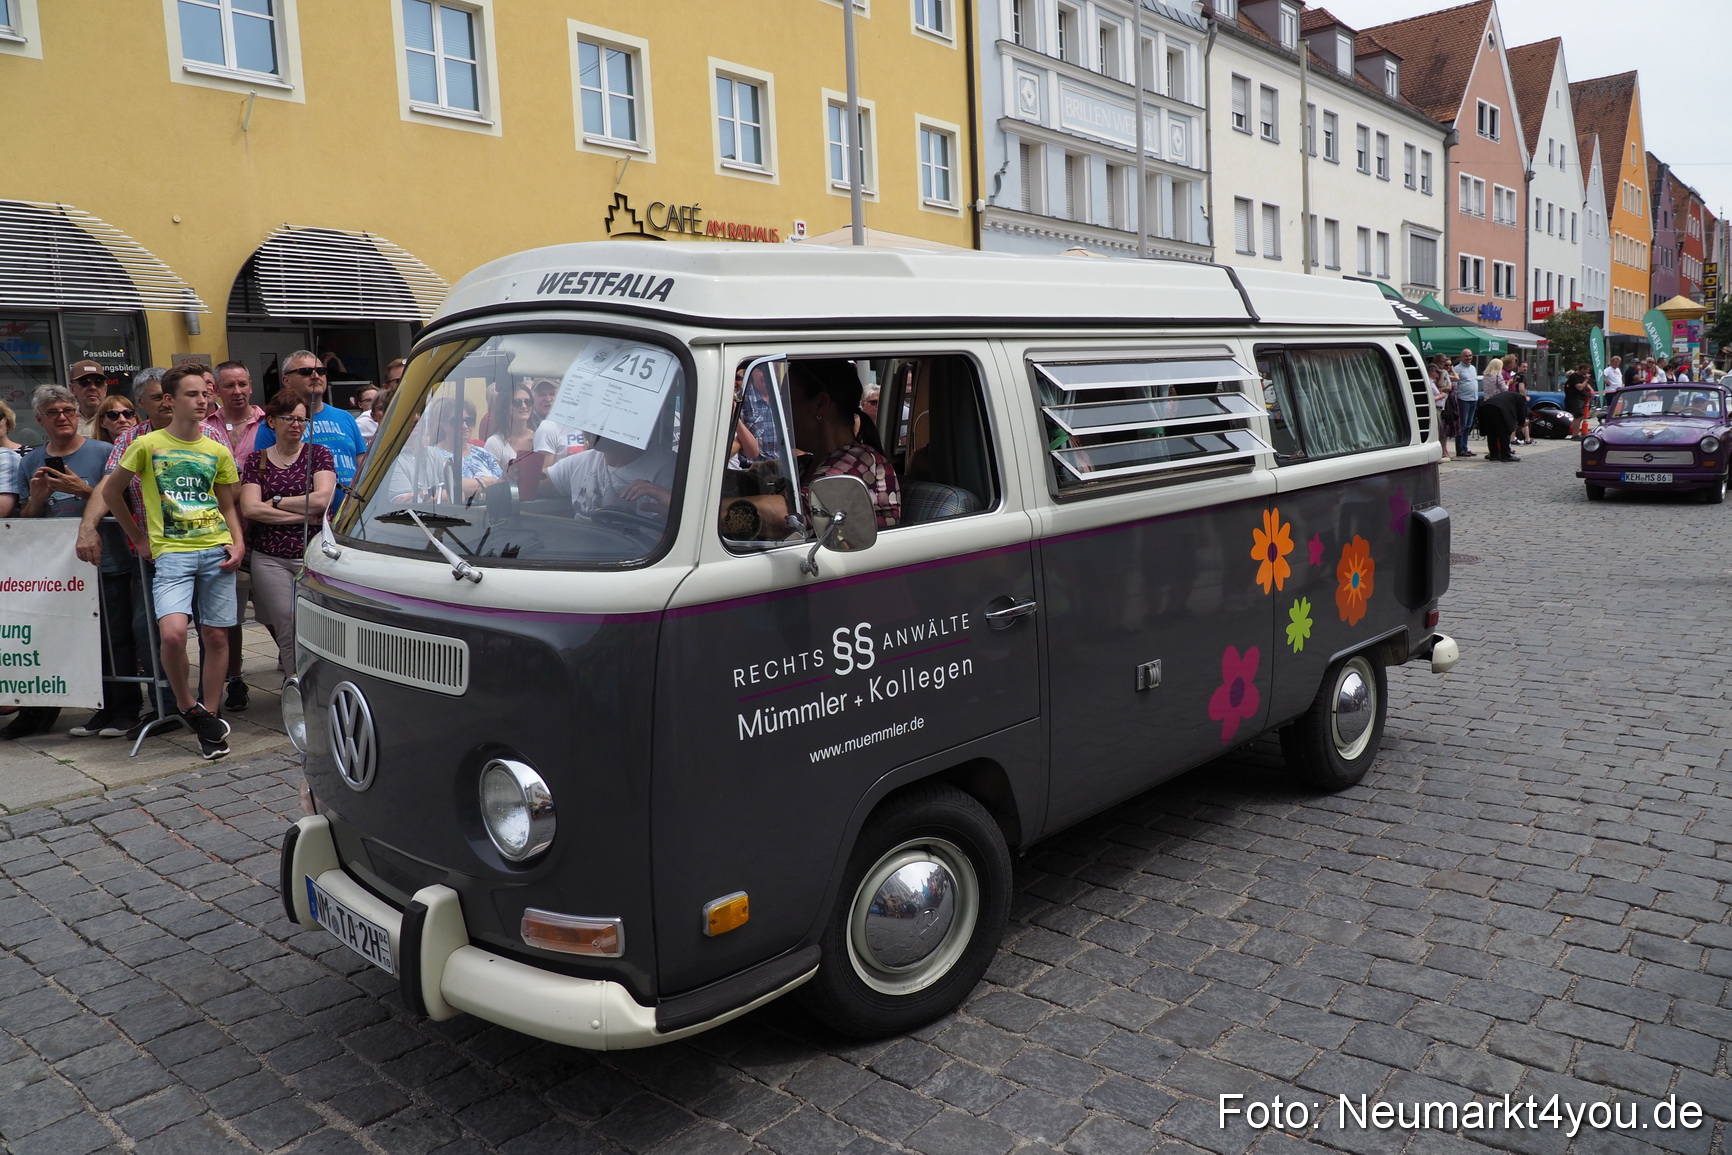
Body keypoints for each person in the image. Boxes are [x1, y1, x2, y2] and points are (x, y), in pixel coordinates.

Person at [91, 366, 244, 760]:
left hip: (216, 550)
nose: (202, 400)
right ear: (169, 400)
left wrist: (238, 543)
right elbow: (111, 490)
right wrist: (138, 537)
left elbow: (226, 503)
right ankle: (186, 704)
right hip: (171, 554)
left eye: (204, 394)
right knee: (173, 634)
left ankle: (209, 714)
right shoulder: (146, 444)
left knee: (215, 636)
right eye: (192, 394)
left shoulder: (216, 447)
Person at [0, 386, 116, 738]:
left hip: (104, 560)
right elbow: (26, 518)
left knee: (113, 638)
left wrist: (81, 489)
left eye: (68, 410)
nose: (63, 417)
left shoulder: (104, 451)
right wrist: (36, 498)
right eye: (54, 413)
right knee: (49, 636)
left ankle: (118, 708)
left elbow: (118, 498)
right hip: (53, 570)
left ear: (78, 413)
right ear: (39, 420)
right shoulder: (32, 459)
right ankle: (40, 712)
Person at [238, 387, 334, 677]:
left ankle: (323, 681)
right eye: (289, 418)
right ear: (272, 421)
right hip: (270, 558)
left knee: (321, 624)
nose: (296, 425)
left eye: (302, 420)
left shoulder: (318, 454)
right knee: (287, 621)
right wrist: (302, 516)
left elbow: (322, 500)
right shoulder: (257, 461)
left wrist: (276, 502)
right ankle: (296, 686)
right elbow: (251, 509)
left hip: (314, 555)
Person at [251, 350, 367, 508]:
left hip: (349, 517)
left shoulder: (345, 417)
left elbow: (362, 465)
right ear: (286, 380)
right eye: (305, 372)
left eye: (321, 371)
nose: (315, 376)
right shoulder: (274, 424)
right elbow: (263, 473)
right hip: (302, 519)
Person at [544, 431, 676, 518]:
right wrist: (524, 475)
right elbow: (536, 486)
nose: (591, 428)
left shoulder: (670, 468)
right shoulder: (582, 461)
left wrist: (671, 501)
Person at [209, 361, 266, 472]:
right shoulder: (205, 427)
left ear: (250, 387)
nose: (237, 391)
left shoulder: (270, 425)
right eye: (230, 386)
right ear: (216, 390)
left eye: (242, 384)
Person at [483, 382, 537, 468]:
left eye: (528, 401)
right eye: (517, 402)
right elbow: (492, 479)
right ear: (505, 406)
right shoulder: (494, 443)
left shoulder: (539, 437)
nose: (524, 406)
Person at [1480, 388, 1527, 463]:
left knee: (1492, 433)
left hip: (1486, 406)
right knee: (1504, 432)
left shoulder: (1509, 395)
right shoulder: (1520, 398)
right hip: (1499, 409)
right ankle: (1505, 455)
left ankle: (1494, 454)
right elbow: (1522, 413)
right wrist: (1521, 424)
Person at [68, 359, 109, 438]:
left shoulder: (117, 417)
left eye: (98, 382)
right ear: (73, 389)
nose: (93, 387)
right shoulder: (66, 420)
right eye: (85, 382)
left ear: (105, 389)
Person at [1452, 350, 1480, 458]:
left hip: (1473, 399)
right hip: (1463, 399)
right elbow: (1454, 385)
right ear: (1461, 356)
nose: (1468, 357)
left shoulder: (1473, 368)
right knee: (1462, 426)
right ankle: (1460, 449)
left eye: (1470, 355)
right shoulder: (1457, 369)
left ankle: (1465, 447)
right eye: (1466, 356)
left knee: (1469, 425)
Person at [1430, 357, 1456, 460]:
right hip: (1437, 407)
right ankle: (1438, 454)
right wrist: (1441, 395)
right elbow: (1440, 387)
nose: (1446, 366)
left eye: (1449, 365)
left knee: (1443, 430)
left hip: (1444, 405)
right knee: (1438, 431)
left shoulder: (1444, 373)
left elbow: (1449, 387)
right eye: (1444, 364)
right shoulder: (1432, 381)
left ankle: (1443, 451)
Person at [1563, 364, 1593, 437]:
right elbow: (1579, 387)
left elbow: (1586, 385)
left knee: (1581, 416)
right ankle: (1574, 435)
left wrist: (1591, 390)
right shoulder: (1574, 376)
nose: (1588, 372)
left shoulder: (1582, 377)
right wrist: (1586, 379)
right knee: (1578, 416)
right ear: (1582, 369)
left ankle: (1573, 431)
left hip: (1582, 398)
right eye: (1587, 370)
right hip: (1575, 399)